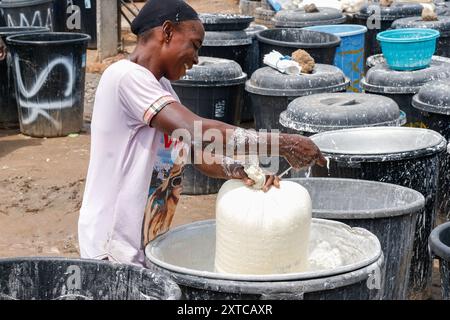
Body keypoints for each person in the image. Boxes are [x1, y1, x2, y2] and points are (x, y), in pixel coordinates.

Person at [78, 0, 326, 266]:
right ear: (167, 32)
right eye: (194, 45)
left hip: (137, 248)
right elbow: (198, 132)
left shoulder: (159, 87)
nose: (196, 59)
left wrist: (241, 170)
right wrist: (284, 144)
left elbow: (194, 151)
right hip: (109, 248)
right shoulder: (126, 77)